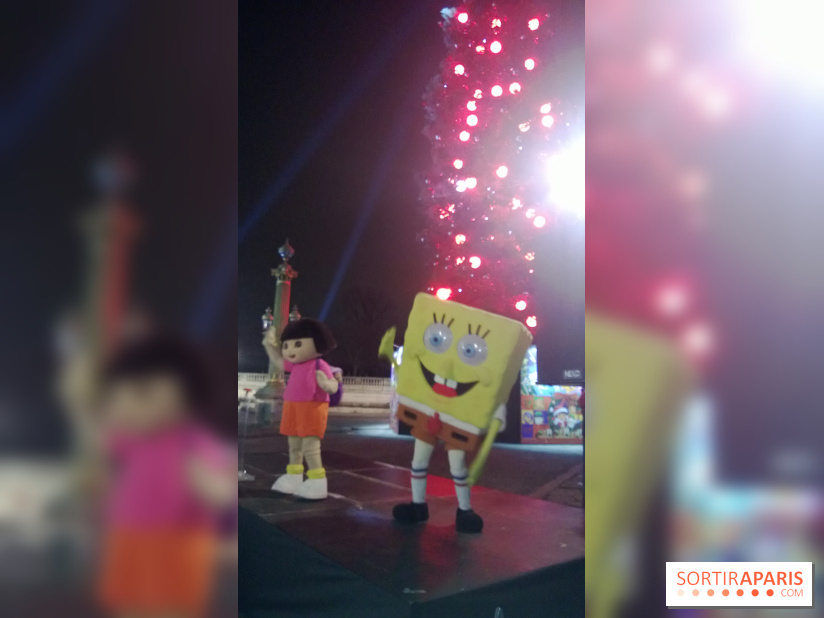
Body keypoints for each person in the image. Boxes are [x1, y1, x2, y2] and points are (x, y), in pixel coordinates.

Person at [96, 333, 236, 618]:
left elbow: (223, 493)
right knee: (127, 606)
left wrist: (212, 488)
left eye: (142, 393)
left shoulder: (193, 442)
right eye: (116, 396)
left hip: (174, 551)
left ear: (187, 398)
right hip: (127, 542)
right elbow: (100, 438)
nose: (124, 405)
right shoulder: (132, 437)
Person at [263, 317, 339, 500]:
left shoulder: (320, 365)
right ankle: (294, 475)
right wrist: (268, 344)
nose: (290, 350)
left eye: (297, 344)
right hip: (292, 405)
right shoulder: (295, 365)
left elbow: (333, 385)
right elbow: (277, 360)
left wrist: (326, 384)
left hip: (312, 406)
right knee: (294, 444)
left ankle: (317, 479)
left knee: (310, 445)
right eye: (286, 345)